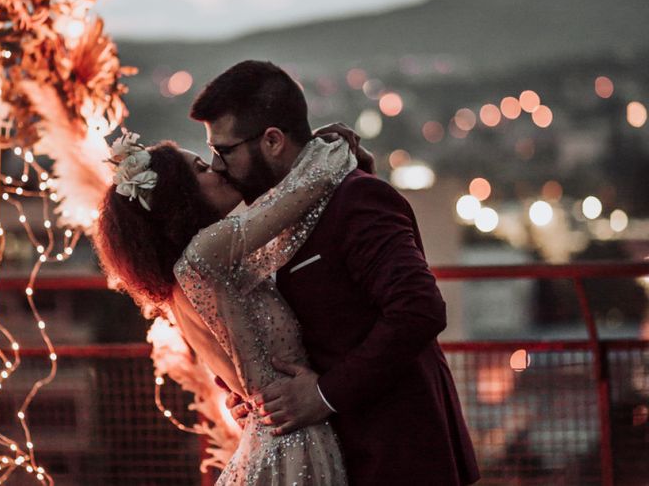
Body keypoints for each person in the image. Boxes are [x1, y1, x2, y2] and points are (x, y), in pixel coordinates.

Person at [190, 60, 480, 485]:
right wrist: (250, 392)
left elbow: (418, 309)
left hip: (396, 451)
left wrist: (323, 394)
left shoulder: (358, 197)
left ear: (272, 140)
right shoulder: (268, 218)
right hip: (331, 458)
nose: (216, 166)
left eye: (224, 151)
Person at [95, 131, 358, 484]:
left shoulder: (185, 281)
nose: (220, 169)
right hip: (293, 441)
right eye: (202, 168)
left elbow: (287, 235)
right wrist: (335, 144)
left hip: (276, 440)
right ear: (180, 197)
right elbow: (312, 185)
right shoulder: (204, 255)